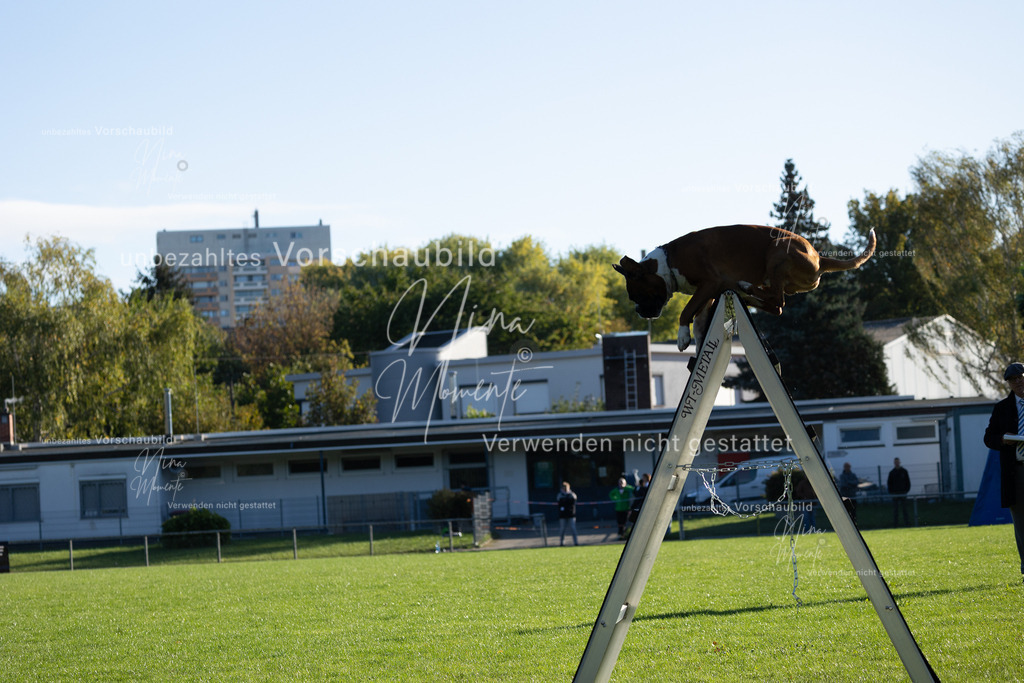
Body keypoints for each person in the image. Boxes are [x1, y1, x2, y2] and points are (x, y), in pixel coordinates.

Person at [983, 362, 1024, 580]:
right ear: (1008, 383)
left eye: (1021, 377)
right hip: (1016, 473)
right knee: (1021, 525)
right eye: (1013, 379)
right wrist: (1003, 440)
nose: (1019, 382)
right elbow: (988, 438)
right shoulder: (1002, 408)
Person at [887, 457, 912, 527]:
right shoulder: (891, 473)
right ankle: (895, 524)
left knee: (905, 509)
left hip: (903, 493)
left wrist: (906, 491)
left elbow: (908, 482)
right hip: (895, 494)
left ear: (899, 462)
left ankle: (907, 523)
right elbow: (889, 483)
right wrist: (892, 492)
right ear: (894, 463)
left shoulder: (904, 471)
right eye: (895, 462)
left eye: (898, 462)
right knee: (895, 510)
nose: (897, 463)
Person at [556, 481, 579, 546]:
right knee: (562, 529)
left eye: (566, 487)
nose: (565, 489)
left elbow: (574, 500)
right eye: (564, 488)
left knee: (573, 528)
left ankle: (576, 542)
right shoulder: (560, 495)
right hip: (563, 515)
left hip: (571, 514)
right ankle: (561, 543)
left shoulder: (572, 494)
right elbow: (559, 503)